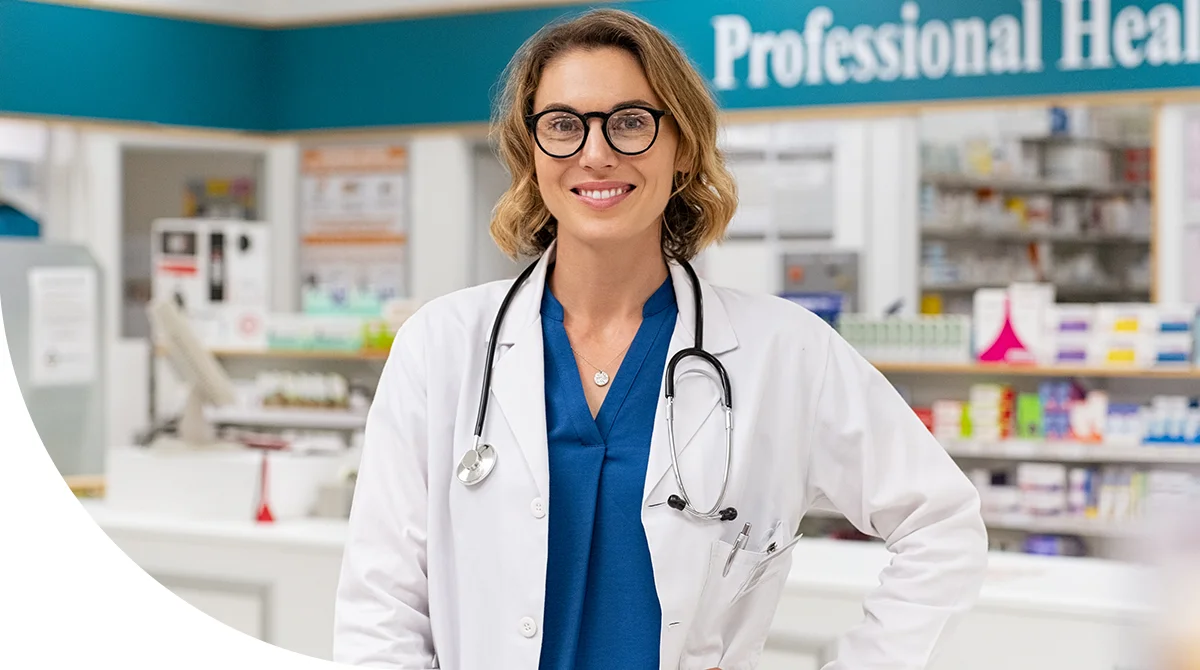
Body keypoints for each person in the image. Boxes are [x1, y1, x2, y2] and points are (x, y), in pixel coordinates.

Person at [332, 8, 988, 670]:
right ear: (530, 153)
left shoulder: (784, 351)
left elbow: (941, 524)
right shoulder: (441, 346)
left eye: (631, 122)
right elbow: (381, 605)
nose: (595, 153)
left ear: (682, 150)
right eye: (562, 124)